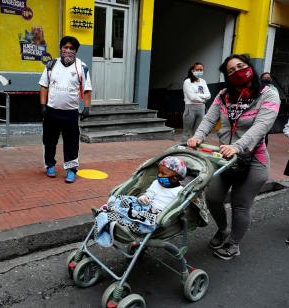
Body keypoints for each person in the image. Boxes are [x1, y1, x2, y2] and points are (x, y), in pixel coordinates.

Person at [187, 54, 280, 260]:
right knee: (212, 197)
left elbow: (261, 126)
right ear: (227, 77)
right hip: (225, 157)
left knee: (240, 203)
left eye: (241, 66)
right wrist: (197, 136)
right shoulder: (223, 95)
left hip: (254, 158)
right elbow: (209, 119)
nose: (237, 72)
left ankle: (234, 244)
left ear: (249, 67)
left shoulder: (268, 93)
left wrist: (238, 146)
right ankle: (222, 229)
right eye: (231, 71)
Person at [94, 156, 187, 246]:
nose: (159, 175)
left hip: (158, 213)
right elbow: (150, 193)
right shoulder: (156, 183)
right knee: (128, 200)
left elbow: (175, 207)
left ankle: (125, 220)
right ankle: (114, 209)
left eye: (163, 174)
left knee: (141, 216)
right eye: (159, 172)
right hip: (146, 205)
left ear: (175, 178)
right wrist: (145, 197)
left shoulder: (178, 192)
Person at [39, 36, 92, 183]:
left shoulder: (82, 67)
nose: (68, 51)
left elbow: (86, 90)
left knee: (72, 143)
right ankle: (50, 165)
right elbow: (44, 86)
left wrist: (87, 108)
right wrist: (43, 106)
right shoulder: (51, 65)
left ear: (76, 51)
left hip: (70, 113)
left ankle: (71, 170)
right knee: (49, 141)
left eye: (71, 48)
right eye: (65, 47)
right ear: (61, 48)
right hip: (52, 111)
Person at [182, 62, 211, 142]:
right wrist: (202, 99)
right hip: (190, 108)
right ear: (192, 70)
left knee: (198, 132)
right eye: (197, 69)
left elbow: (208, 95)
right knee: (187, 132)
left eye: (201, 70)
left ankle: (195, 149)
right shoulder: (187, 82)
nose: (199, 71)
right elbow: (191, 97)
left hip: (201, 109)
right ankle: (184, 149)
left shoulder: (203, 81)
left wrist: (197, 95)